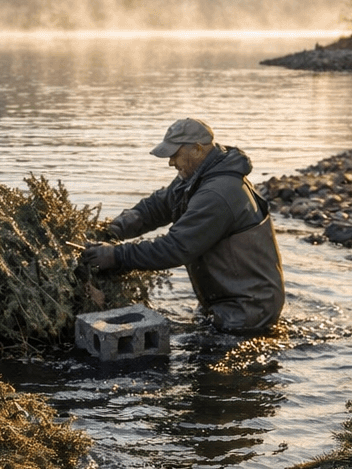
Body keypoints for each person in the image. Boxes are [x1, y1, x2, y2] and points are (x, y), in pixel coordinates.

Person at [82, 117, 285, 335]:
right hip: (227, 302)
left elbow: (175, 248)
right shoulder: (197, 176)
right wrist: (113, 229)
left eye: (174, 154)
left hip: (247, 312)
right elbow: (157, 207)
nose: (170, 162)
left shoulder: (218, 193)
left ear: (197, 149)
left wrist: (116, 256)